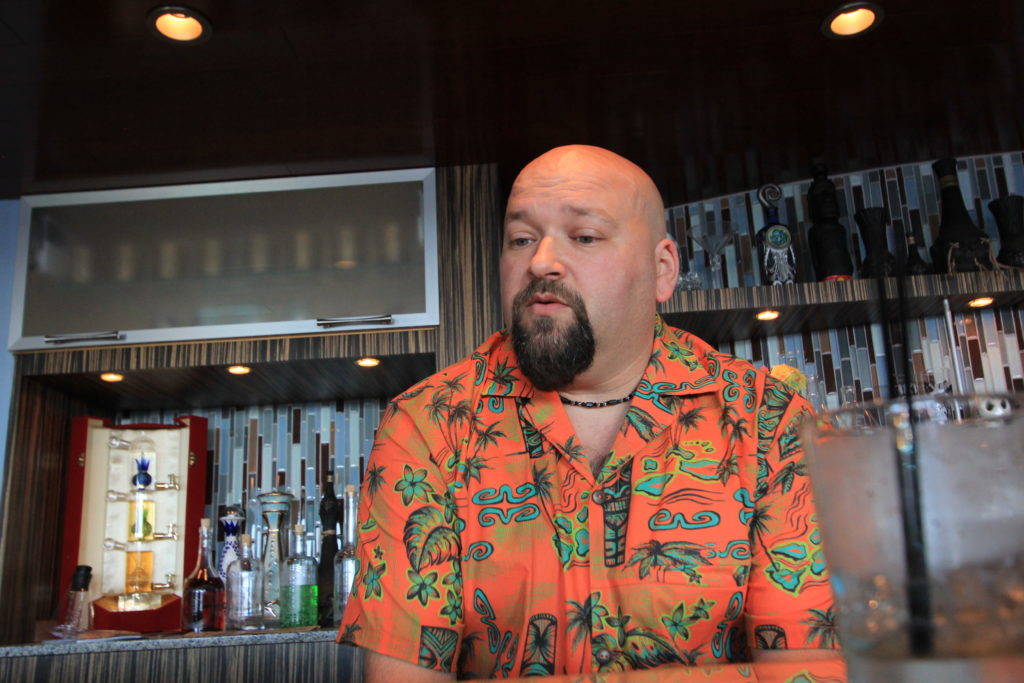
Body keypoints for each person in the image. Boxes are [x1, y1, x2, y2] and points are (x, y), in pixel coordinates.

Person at [338, 145, 836, 680]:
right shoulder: (428, 425)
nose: (541, 262)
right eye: (521, 239)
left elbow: (812, 670)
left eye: (584, 236)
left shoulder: (772, 423)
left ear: (662, 269)